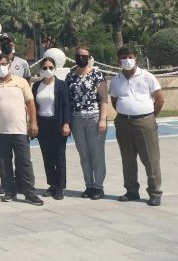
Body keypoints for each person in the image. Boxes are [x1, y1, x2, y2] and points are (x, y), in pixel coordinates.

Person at [0, 54, 43, 206]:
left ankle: (29, 193)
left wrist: (33, 123)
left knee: (24, 163)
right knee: (4, 164)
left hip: (20, 130)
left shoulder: (21, 82)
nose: (1, 67)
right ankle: (9, 191)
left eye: (4, 64)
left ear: (9, 65)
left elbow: (30, 103)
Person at [109, 46, 164, 206]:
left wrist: (150, 117)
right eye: (123, 57)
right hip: (123, 122)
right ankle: (131, 190)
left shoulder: (147, 76)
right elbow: (114, 100)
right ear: (119, 60)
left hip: (144, 121)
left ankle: (155, 192)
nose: (127, 60)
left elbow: (159, 99)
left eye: (130, 56)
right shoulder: (116, 80)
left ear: (136, 58)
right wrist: (125, 110)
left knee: (150, 159)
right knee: (128, 159)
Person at [64, 47, 108, 200]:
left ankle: (98, 187)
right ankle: (89, 185)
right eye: (78, 56)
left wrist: (103, 119)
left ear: (89, 57)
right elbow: (68, 101)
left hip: (94, 118)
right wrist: (67, 122)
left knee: (97, 154)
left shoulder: (97, 75)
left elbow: (104, 99)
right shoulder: (70, 76)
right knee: (83, 154)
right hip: (77, 119)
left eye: (84, 56)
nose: (81, 58)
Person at [31, 57, 71, 200]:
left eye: (50, 67)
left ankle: (60, 187)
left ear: (55, 68)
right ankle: (52, 184)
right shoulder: (36, 86)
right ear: (40, 69)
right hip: (43, 124)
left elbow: (66, 105)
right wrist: (33, 123)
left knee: (59, 157)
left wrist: (66, 123)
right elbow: (33, 106)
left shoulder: (61, 85)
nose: (47, 70)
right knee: (47, 157)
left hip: (58, 123)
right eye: (44, 68)